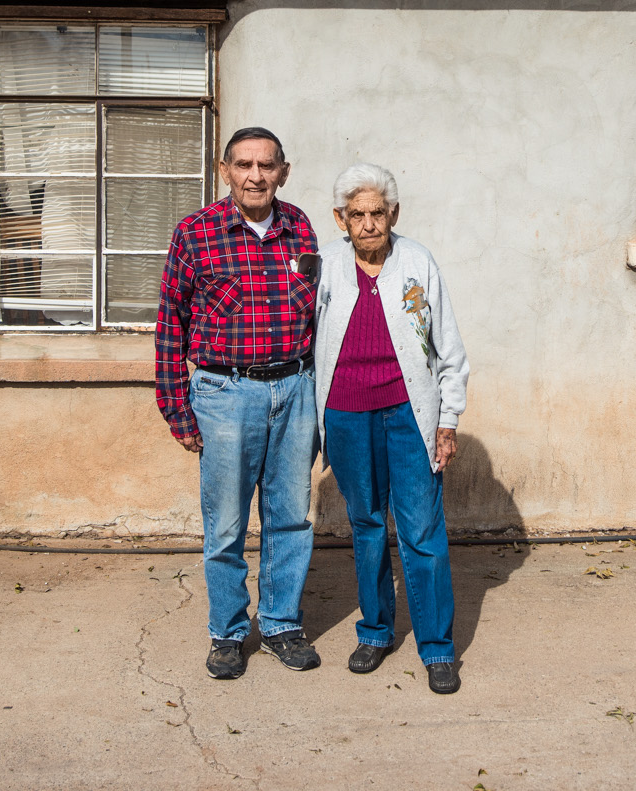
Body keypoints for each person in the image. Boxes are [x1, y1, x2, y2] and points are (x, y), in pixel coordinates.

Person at [154, 126, 322, 680]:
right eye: (244, 165)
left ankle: (280, 624)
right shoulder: (195, 233)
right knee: (225, 524)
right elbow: (169, 327)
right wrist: (178, 408)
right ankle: (227, 632)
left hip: (295, 388)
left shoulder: (301, 228)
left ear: (283, 171)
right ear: (224, 170)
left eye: (267, 165)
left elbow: (321, 318)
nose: (256, 175)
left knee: (291, 517)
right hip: (224, 394)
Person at [314, 162, 470, 695]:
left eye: (377, 212)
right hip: (346, 415)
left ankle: (437, 648)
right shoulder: (326, 267)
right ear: (341, 219)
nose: (368, 223)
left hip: (409, 415)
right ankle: (376, 631)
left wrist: (447, 421)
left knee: (422, 530)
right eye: (356, 214)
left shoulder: (418, 262)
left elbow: (448, 351)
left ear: (393, 214)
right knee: (367, 526)